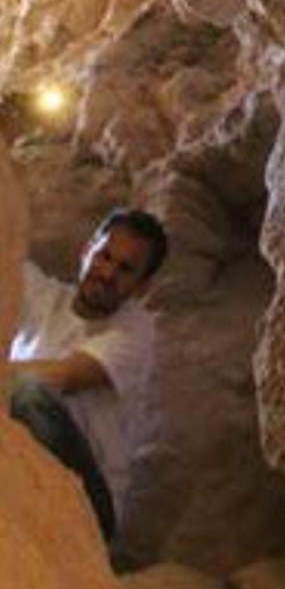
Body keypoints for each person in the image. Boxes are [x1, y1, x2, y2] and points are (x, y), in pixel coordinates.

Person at [6, 208, 168, 542]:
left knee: (29, 394)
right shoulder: (45, 297)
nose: (108, 273)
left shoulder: (135, 331)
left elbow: (62, 376)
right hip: (29, 476)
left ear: (142, 286)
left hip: (93, 506)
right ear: (86, 251)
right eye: (104, 256)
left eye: (125, 269)